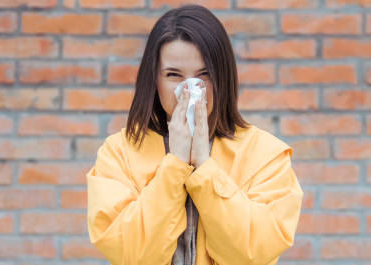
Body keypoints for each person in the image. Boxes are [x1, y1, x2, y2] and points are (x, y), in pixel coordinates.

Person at [86, 5, 304, 265]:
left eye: (204, 75)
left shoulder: (266, 155)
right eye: (173, 75)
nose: (189, 91)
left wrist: (203, 166)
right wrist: (175, 165)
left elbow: (251, 254)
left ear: (223, 76)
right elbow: (132, 255)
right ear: (153, 79)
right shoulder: (118, 153)